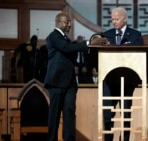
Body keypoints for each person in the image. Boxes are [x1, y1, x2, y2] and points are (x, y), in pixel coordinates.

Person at [44, 12, 107, 141]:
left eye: (70, 22)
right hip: (56, 81)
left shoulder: (66, 38)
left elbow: (71, 50)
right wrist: (89, 42)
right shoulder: (53, 36)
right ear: (58, 23)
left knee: (69, 114)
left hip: (70, 82)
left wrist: (87, 45)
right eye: (66, 22)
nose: (69, 25)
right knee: (54, 115)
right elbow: (66, 48)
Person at [102, 7, 144, 141]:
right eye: (112, 19)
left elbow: (139, 55)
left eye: (117, 19)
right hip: (109, 79)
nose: (114, 22)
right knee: (107, 114)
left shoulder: (135, 35)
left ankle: (124, 139)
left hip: (127, 79)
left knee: (125, 113)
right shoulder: (107, 34)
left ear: (125, 19)